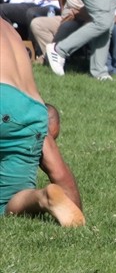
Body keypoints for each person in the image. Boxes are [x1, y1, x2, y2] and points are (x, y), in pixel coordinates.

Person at [0, 22, 86, 227]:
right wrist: (73, 202)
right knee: (6, 203)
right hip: (33, 111)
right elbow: (58, 171)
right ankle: (43, 197)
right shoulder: (10, 31)